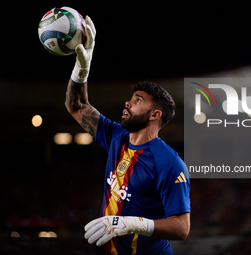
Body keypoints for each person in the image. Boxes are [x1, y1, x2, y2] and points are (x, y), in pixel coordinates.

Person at [65, 16, 191, 255]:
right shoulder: (116, 136)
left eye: (138, 100)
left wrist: (132, 224)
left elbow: (182, 228)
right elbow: (76, 105)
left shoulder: (170, 162)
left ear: (155, 114)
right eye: (131, 98)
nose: (128, 102)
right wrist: (83, 67)